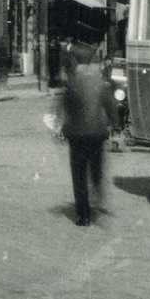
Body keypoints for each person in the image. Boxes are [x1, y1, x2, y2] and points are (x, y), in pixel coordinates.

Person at [60, 45, 120, 227]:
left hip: (77, 135)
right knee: (96, 170)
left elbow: (65, 108)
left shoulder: (72, 83)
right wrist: (115, 125)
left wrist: (63, 129)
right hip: (97, 134)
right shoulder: (100, 82)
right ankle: (97, 197)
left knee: (78, 175)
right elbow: (110, 106)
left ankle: (83, 216)